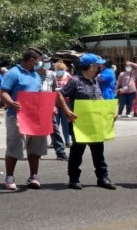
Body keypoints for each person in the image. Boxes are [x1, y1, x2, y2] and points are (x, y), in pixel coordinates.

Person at [57, 53, 116, 190]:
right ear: (91, 66)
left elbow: (98, 98)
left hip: (95, 122)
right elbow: (60, 94)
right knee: (77, 152)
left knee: (98, 152)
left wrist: (109, 111)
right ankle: (74, 178)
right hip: (79, 123)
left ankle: (102, 177)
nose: (100, 67)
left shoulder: (94, 81)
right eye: (97, 64)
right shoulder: (75, 81)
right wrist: (67, 111)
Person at [0, 48, 46, 191]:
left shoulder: (36, 75)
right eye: (38, 60)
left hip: (35, 117)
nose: (40, 63)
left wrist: (49, 107)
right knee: (15, 147)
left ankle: (34, 176)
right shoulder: (13, 73)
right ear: (32, 60)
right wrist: (11, 103)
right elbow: (3, 92)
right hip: (17, 117)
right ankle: (9, 177)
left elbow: (39, 94)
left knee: (35, 148)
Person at [37, 56, 67, 162]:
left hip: (48, 105)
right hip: (36, 106)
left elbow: (54, 91)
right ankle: (38, 152)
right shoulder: (33, 74)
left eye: (48, 62)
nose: (47, 63)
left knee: (54, 129)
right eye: (45, 62)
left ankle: (60, 152)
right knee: (39, 130)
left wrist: (54, 105)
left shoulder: (51, 75)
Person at [54, 60, 73, 147]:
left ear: (64, 69)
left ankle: (67, 140)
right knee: (55, 124)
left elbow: (72, 88)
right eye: (58, 69)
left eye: (61, 69)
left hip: (66, 103)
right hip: (55, 103)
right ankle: (55, 141)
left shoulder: (68, 77)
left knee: (65, 123)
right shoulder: (52, 76)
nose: (59, 70)